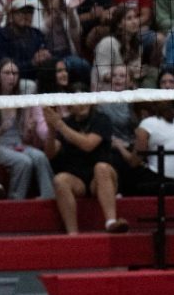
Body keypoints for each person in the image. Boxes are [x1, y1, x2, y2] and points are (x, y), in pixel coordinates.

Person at [43, 96, 129, 234]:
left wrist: (60, 126)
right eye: (78, 101)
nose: (83, 104)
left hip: (101, 179)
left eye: (85, 99)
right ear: (70, 105)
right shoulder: (66, 123)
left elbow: (88, 144)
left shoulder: (101, 119)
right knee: (60, 180)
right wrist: (52, 129)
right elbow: (50, 154)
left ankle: (111, 222)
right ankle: (73, 233)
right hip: (78, 180)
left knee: (101, 168)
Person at [0, 58, 54, 199]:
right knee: (24, 162)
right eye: (7, 73)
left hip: (18, 144)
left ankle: (49, 195)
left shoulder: (20, 100)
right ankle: (16, 198)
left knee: (40, 157)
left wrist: (30, 130)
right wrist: (1, 130)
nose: (12, 77)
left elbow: (24, 137)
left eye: (15, 74)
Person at [0, 0, 48, 86]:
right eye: (22, 12)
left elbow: (45, 52)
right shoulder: (0, 36)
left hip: (36, 78)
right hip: (6, 82)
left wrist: (45, 56)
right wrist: (31, 63)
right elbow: (0, 66)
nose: (26, 16)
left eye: (30, 12)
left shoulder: (37, 34)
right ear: (11, 15)